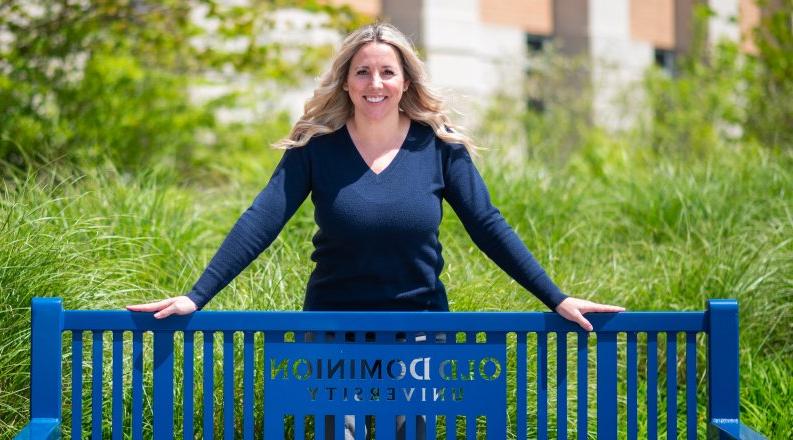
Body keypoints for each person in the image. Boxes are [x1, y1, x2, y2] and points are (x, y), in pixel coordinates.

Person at [127, 22, 623, 438]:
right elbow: (262, 218)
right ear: (346, 82)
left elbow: (489, 226)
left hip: (419, 335)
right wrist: (197, 296)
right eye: (362, 71)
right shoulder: (316, 150)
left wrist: (557, 298)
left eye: (388, 71)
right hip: (332, 334)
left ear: (406, 81)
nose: (375, 82)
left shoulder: (439, 149)